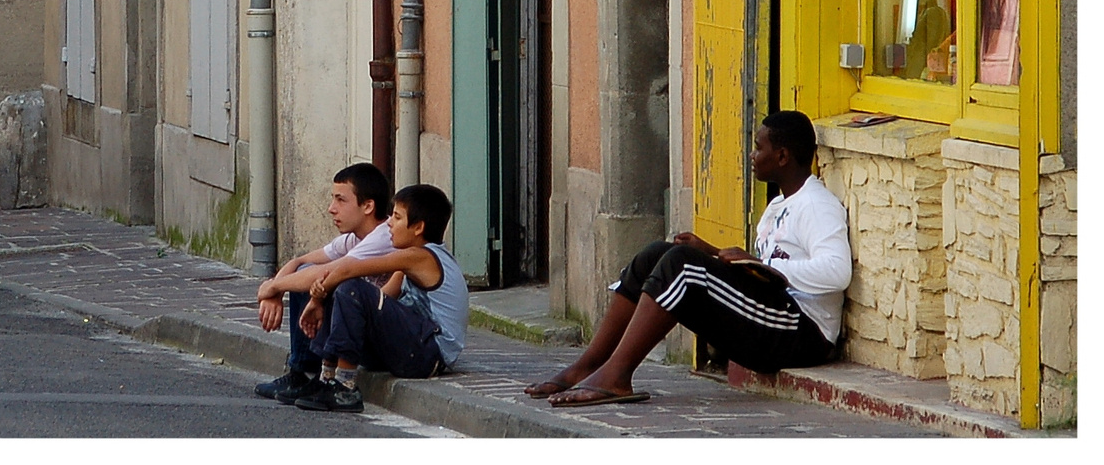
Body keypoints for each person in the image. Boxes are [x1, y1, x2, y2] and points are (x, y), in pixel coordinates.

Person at [529, 110, 850, 407]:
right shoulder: (777, 208)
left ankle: (616, 376)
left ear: (782, 156)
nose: (752, 155)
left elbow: (837, 272)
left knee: (680, 264)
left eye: (758, 147)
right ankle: (587, 366)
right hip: (771, 315)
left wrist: (764, 266)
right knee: (658, 254)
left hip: (802, 333)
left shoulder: (817, 204)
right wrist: (711, 252)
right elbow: (764, 274)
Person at [288, 184, 471, 413]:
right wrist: (333, 301)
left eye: (396, 217)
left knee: (351, 287)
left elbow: (350, 270)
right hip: (411, 348)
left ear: (418, 227)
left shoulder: (422, 256)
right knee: (347, 294)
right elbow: (381, 300)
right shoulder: (408, 263)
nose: (388, 224)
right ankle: (326, 378)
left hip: (428, 354)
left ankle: (345, 386)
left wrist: (316, 299)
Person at [251, 163, 397, 403]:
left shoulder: (383, 238)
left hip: (380, 337)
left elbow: (330, 271)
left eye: (341, 200)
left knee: (319, 279)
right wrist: (275, 290)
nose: (331, 209)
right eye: (332, 199)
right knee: (307, 273)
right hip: (359, 331)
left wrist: (275, 286)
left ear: (368, 206)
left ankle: (312, 373)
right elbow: (301, 261)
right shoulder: (353, 238)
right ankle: (302, 372)